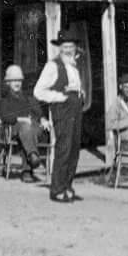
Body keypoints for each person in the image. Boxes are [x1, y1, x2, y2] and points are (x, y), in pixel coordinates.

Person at [36, 38, 90, 201]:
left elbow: (74, 87)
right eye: (65, 47)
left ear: (75, 48)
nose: (68, 50)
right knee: (64, 148)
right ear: (59, 48)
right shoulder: (52, 66)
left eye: (71, 46)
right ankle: (57, 189)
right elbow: (39, 91)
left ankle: (67, 185)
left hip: (75, 109)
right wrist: (61, 97)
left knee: (74, 149)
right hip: (62, 110)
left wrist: (80, 94)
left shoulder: (74, 66)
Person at [0, 61, 43, 178]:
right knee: (25, 128)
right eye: (13, 80)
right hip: (13, 129)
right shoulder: (5, 100)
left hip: (31, 129)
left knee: (28, 131)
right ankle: (29, 166)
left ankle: (31, 158)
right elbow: (5, 117)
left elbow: (38, 112)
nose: (16, 83)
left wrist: (43, 118)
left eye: (19, 80)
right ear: (8, 83)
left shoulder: (27, 98)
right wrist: (21, 119)